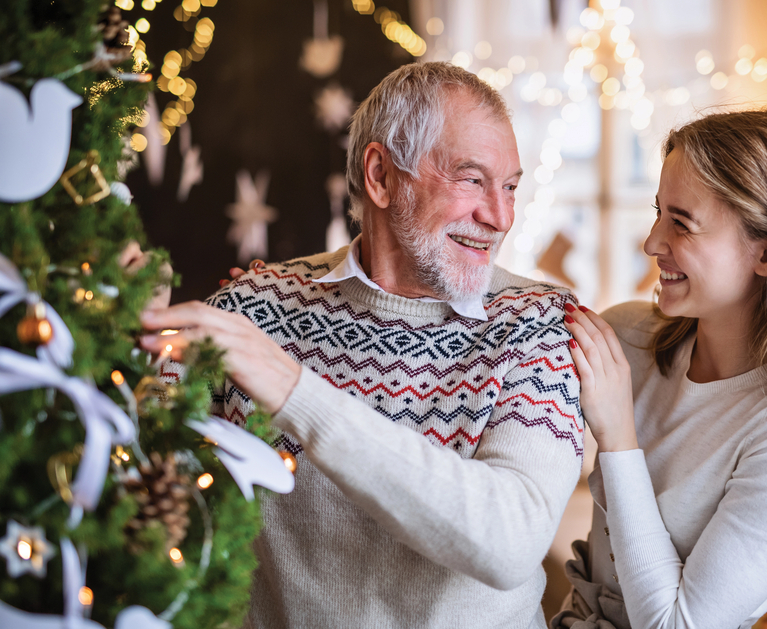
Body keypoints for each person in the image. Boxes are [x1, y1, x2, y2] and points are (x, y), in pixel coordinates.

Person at [138, 62, 584, 628]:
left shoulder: (538, 323)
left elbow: (510, 543)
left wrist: (295, 391)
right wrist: (134, 342)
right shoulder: (255, 304)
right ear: (380, 175)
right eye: (472, 180)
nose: (501, 217)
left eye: (511, 186)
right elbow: (147, 480)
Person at [554, 108, 767, 629]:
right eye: (658, 212)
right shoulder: (629, 339)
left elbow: (675, 624)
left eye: (680, 223)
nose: (651, 243)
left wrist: (618, 436)